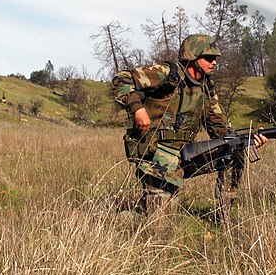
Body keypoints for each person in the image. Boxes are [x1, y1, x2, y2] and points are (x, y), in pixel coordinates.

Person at [112, 34, 264, 213]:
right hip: (157, 153)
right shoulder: (169, 73)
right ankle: (121, 217)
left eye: (215, 58)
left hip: (186, 153)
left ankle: (225, 215)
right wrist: (138, 109)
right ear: (192, 57)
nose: (214, 62)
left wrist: (246, 140)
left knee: (234, 150)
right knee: (159, 219)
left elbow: (219, 129)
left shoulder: (206, 85)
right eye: (208, 58)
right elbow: (121, 79)